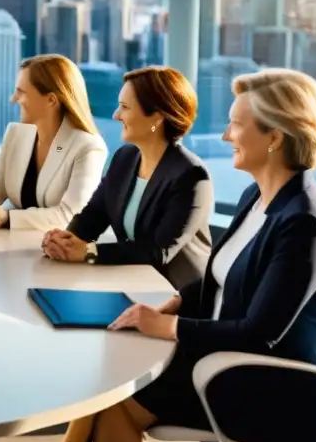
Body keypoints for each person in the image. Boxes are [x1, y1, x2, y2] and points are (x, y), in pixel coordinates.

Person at [22, 69, 316, 442]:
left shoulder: (304, 221)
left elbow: (261, 333)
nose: (225, 136)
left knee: (117, 400)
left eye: (237, 124)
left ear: (274, 137)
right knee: (111, 378)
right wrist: (180, 303)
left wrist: (170, 327)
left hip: (282, 388)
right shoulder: (259, 195)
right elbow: (222, 277)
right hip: (229, 354)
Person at [41, 66, 212, 289]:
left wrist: (88, 252)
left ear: (157, 118)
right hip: (131, 281)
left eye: (124, 107)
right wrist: (63, 241)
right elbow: (94, 215)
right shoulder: (125, 158)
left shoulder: (191, 176)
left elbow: (158, 251)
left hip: (175, 295)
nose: (116, 115)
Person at [0, 54, 106, 230]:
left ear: (51, 100)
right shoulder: (16, 134)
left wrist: (6, 217)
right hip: (10, 246)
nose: (13, 99)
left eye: (21, 92)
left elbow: (70, 215)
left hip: (57, 251)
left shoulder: (88, 147)